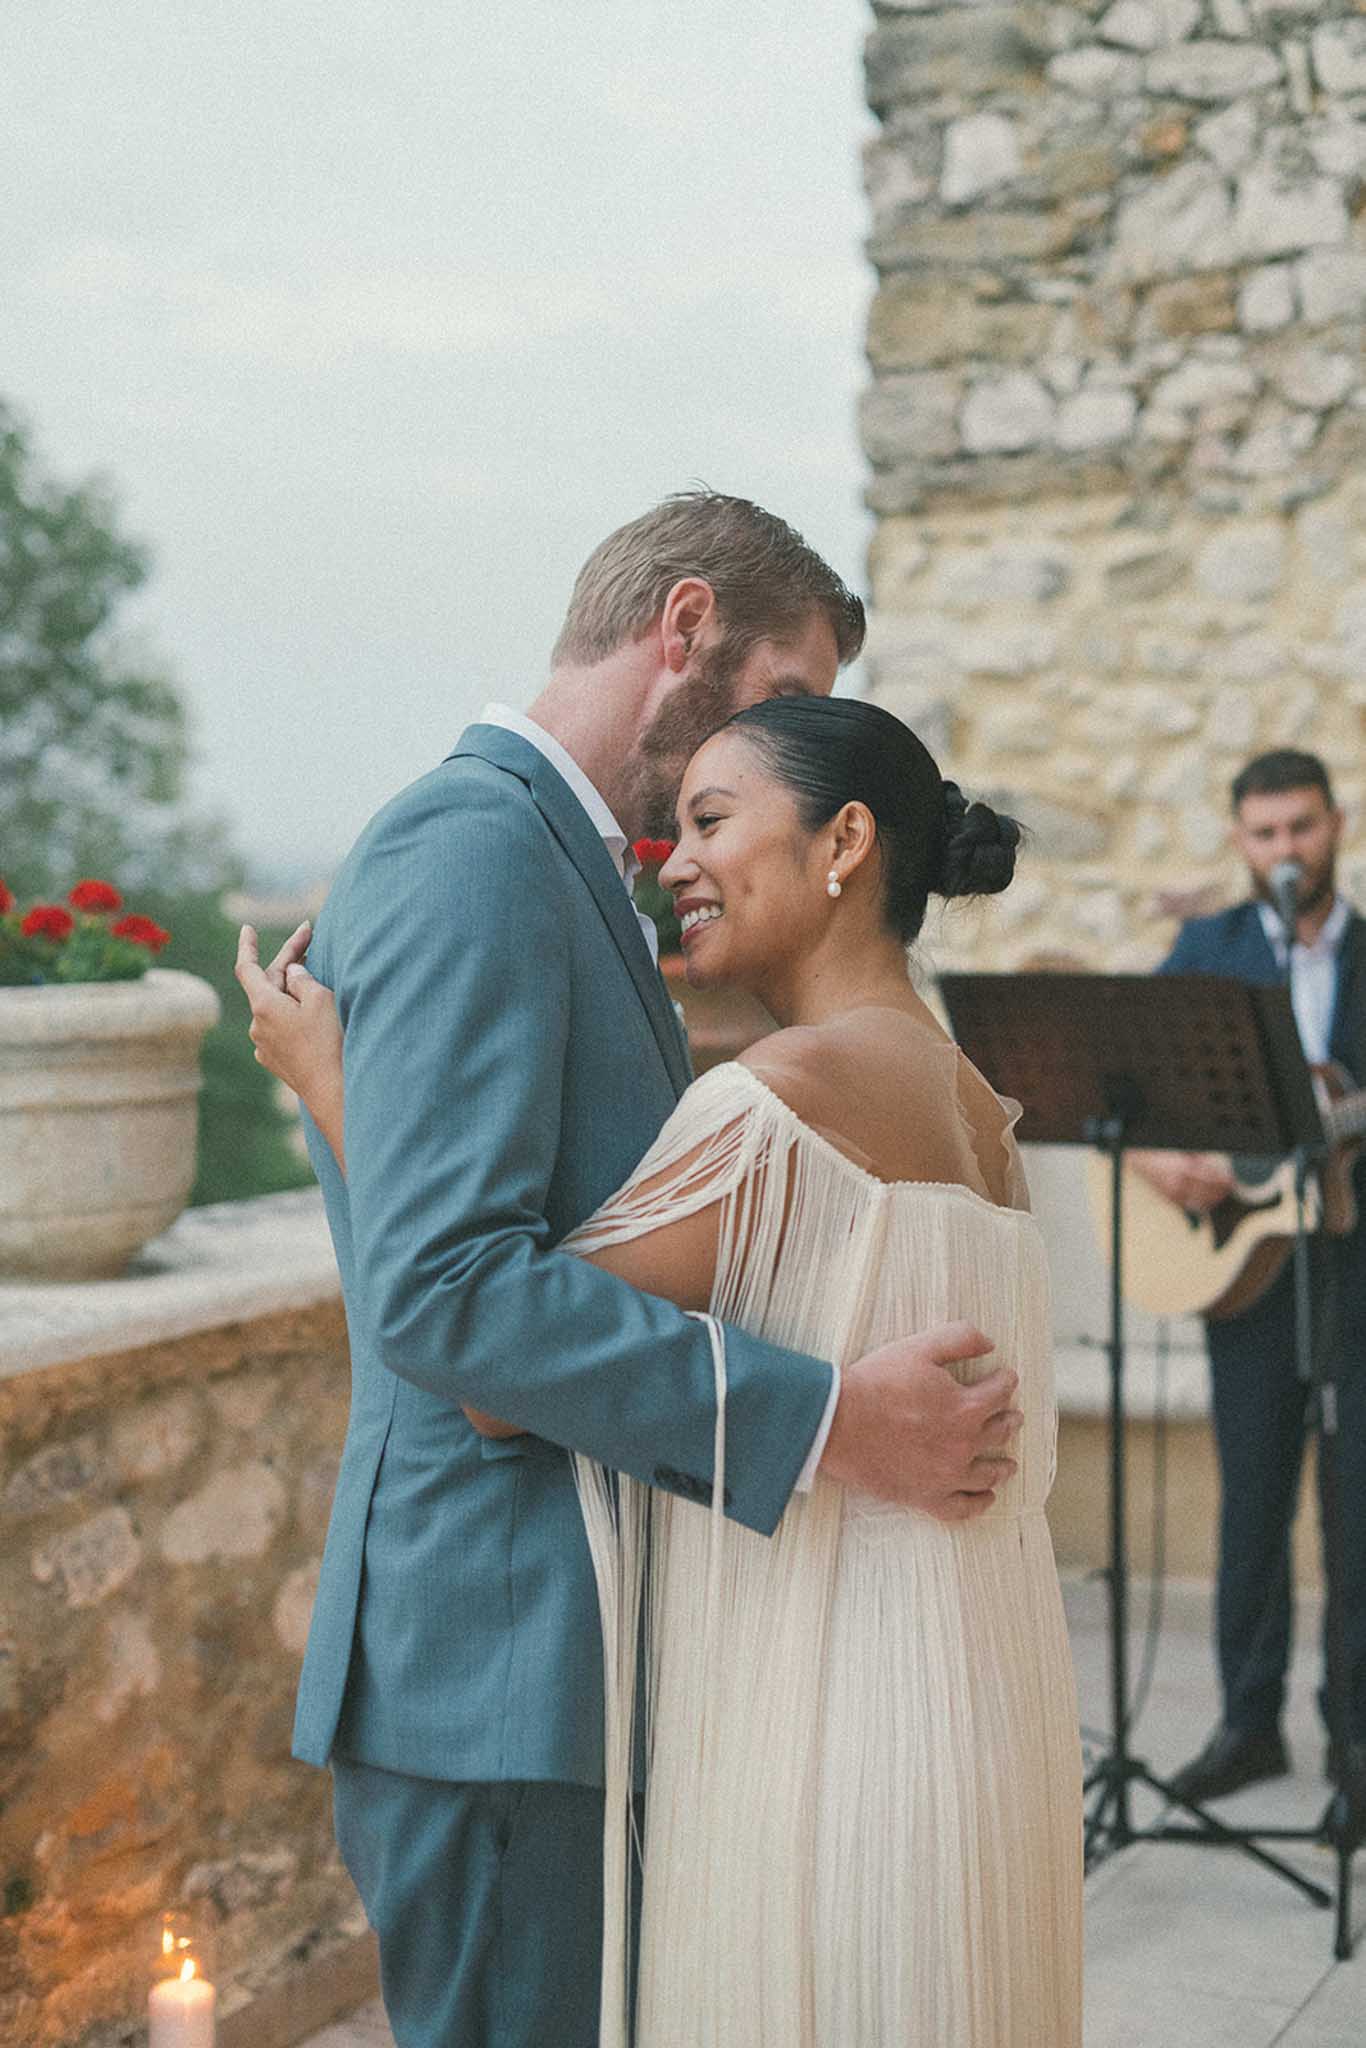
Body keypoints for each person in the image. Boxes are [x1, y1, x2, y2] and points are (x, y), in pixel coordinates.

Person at [235, 492, 1030, 2048]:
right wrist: (829, 1423)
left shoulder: (578, 874)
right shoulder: (474, 851)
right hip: (495, 1669)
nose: (801, 748)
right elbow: (449, 1293)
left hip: (593, 1663)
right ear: (684, 632)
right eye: (787, 696)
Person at [1133, 749, 1366, 1830]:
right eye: (1265, 832)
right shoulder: (1205, 948)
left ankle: (1355, 1744)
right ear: (1240, 841)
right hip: (1244, 1269)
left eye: (1302, 828)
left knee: (1356, 1508)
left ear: (1335, 828)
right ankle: (1246, 1719)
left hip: (1352, 1268)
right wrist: (1156, 1159)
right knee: (1253, 1498)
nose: (1286, 849)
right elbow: (1120, 1087)